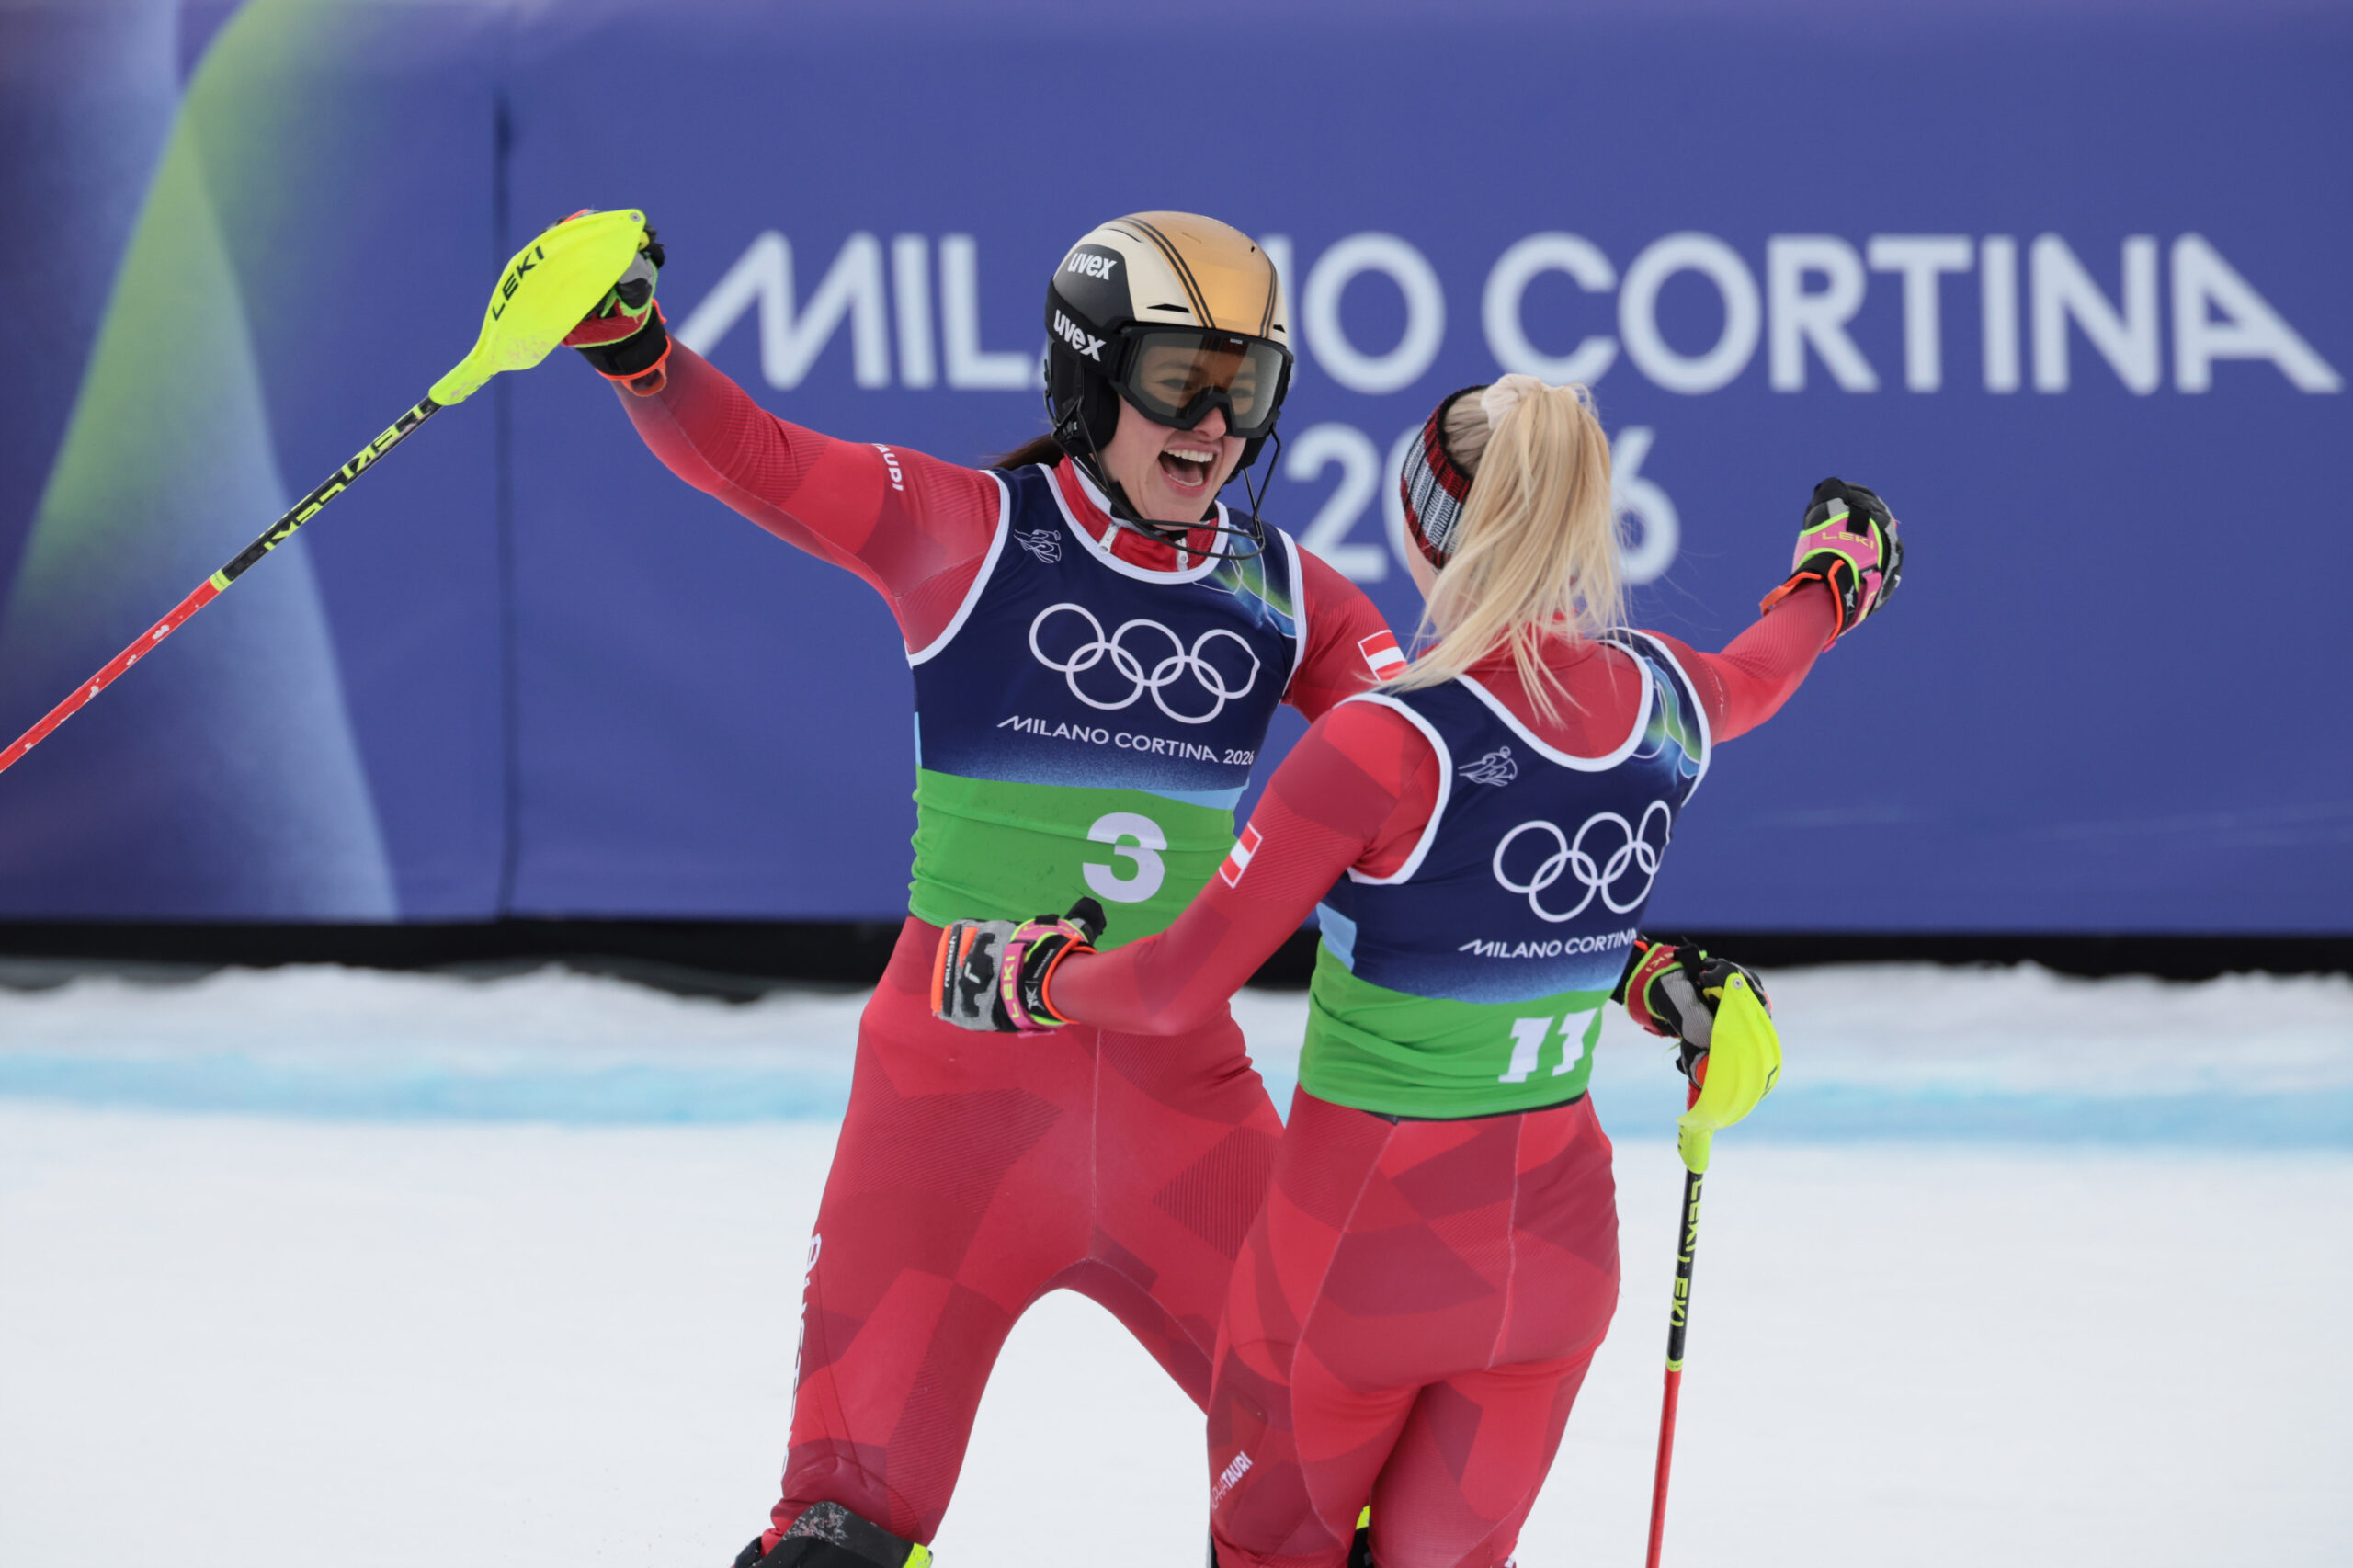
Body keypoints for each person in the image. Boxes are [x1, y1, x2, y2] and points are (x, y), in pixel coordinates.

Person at [930, 374, 1904, 1568]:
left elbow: (1171, 986)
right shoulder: (1663, 701)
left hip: (1348, 1271)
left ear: (1422, 530)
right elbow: (1764, 666)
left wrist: (1032, 973)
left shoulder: (1382, 744)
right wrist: (1831, 581)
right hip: (1553, 1263)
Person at [555, 210, 1401, 1568]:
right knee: (837, 1542)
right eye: (1180, 378)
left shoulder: (1297, 598)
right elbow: (762, 460)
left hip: (1183, 1122)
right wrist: (636, 347)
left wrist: (1643, 956)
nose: (1216, 426)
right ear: (1087, 372)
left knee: (1358, 1521)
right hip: (946, 1113)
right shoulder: (966, 531)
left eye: (1249, 388)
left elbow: (1453, 781)